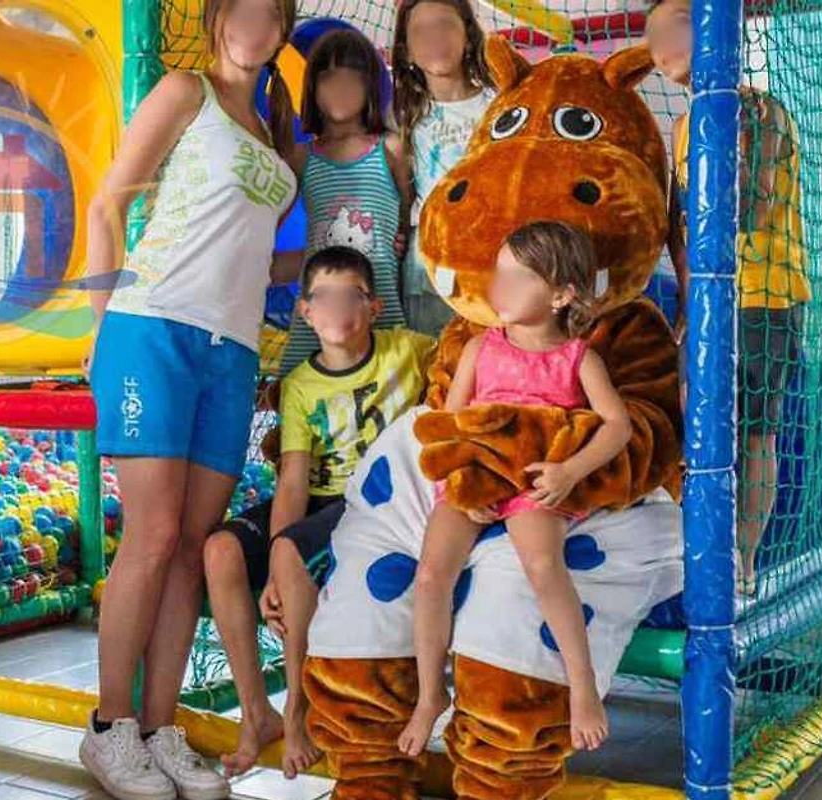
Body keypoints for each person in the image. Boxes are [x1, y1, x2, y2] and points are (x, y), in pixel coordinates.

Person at [81, 1, 300, 797]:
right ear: (217, 18)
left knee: (190, 544)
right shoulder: (184, 91)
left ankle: (159, 727)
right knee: (154, 533)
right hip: (153, 328)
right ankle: (109, 728)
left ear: (282, 30)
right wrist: (102, 324)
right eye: (243, 8)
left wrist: (342, 255)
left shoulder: (275, 133)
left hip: (231, 349)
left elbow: (252, 254)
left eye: (272, 13)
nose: (255, 24)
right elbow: (107, 203)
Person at [397, 222, 632, 757]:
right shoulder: (480, 348)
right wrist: (463, 482)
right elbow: (451, 424)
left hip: (533, 479)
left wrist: (569, 471)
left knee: (543, 566)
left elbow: (617, 426)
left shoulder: (578, 359)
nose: (499, 287)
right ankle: (431, 694)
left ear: (561, 295)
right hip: (478, 475)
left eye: (518, 278)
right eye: (499, 273)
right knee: (431, 574)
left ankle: (583, 687)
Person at [205, 246, 435, 780]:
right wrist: (275, 570)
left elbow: (464, 358)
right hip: (317, 500)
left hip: (373, 502)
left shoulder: (408, 350)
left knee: (289, 551)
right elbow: (292, 480)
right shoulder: (301, 386)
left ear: (373, 307)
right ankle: (256, 714)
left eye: (351, 296)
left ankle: (297, 707)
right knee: (220, 549)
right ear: (306, 311)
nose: (338, 309)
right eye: (324, 298)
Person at [646, 0, 811, 596]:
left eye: (676, 25)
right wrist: (688, 305)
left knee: (755, 431)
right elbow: (685, 233)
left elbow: (751, 209)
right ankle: (700, 547)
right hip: (708, 302)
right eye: (653, 33)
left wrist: (731, 141)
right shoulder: (682, 124)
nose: (661, 42)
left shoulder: (759, 110)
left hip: (765, 294)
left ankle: (742, 557)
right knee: (697, 427)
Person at [277, 29, 412, 375]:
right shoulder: (301, 158)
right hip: (319, 314)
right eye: (329, 78)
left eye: (354, 78)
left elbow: (407, 220)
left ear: (370, 87)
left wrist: (400, 240)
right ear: (312, 87)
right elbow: (266, 220)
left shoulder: (390, 149)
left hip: (378, 306)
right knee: (297, 389)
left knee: (390, 392)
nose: (341, 88)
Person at [392, 0, 495, 337]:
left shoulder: (499, 104)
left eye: (445, 25)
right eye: (421, 30)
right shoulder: (402, 116)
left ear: (468, 36)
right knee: (435, 360)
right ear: (407, 51)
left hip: (493, 260)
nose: (434, 37)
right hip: (430, 267)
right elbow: (402, 193)